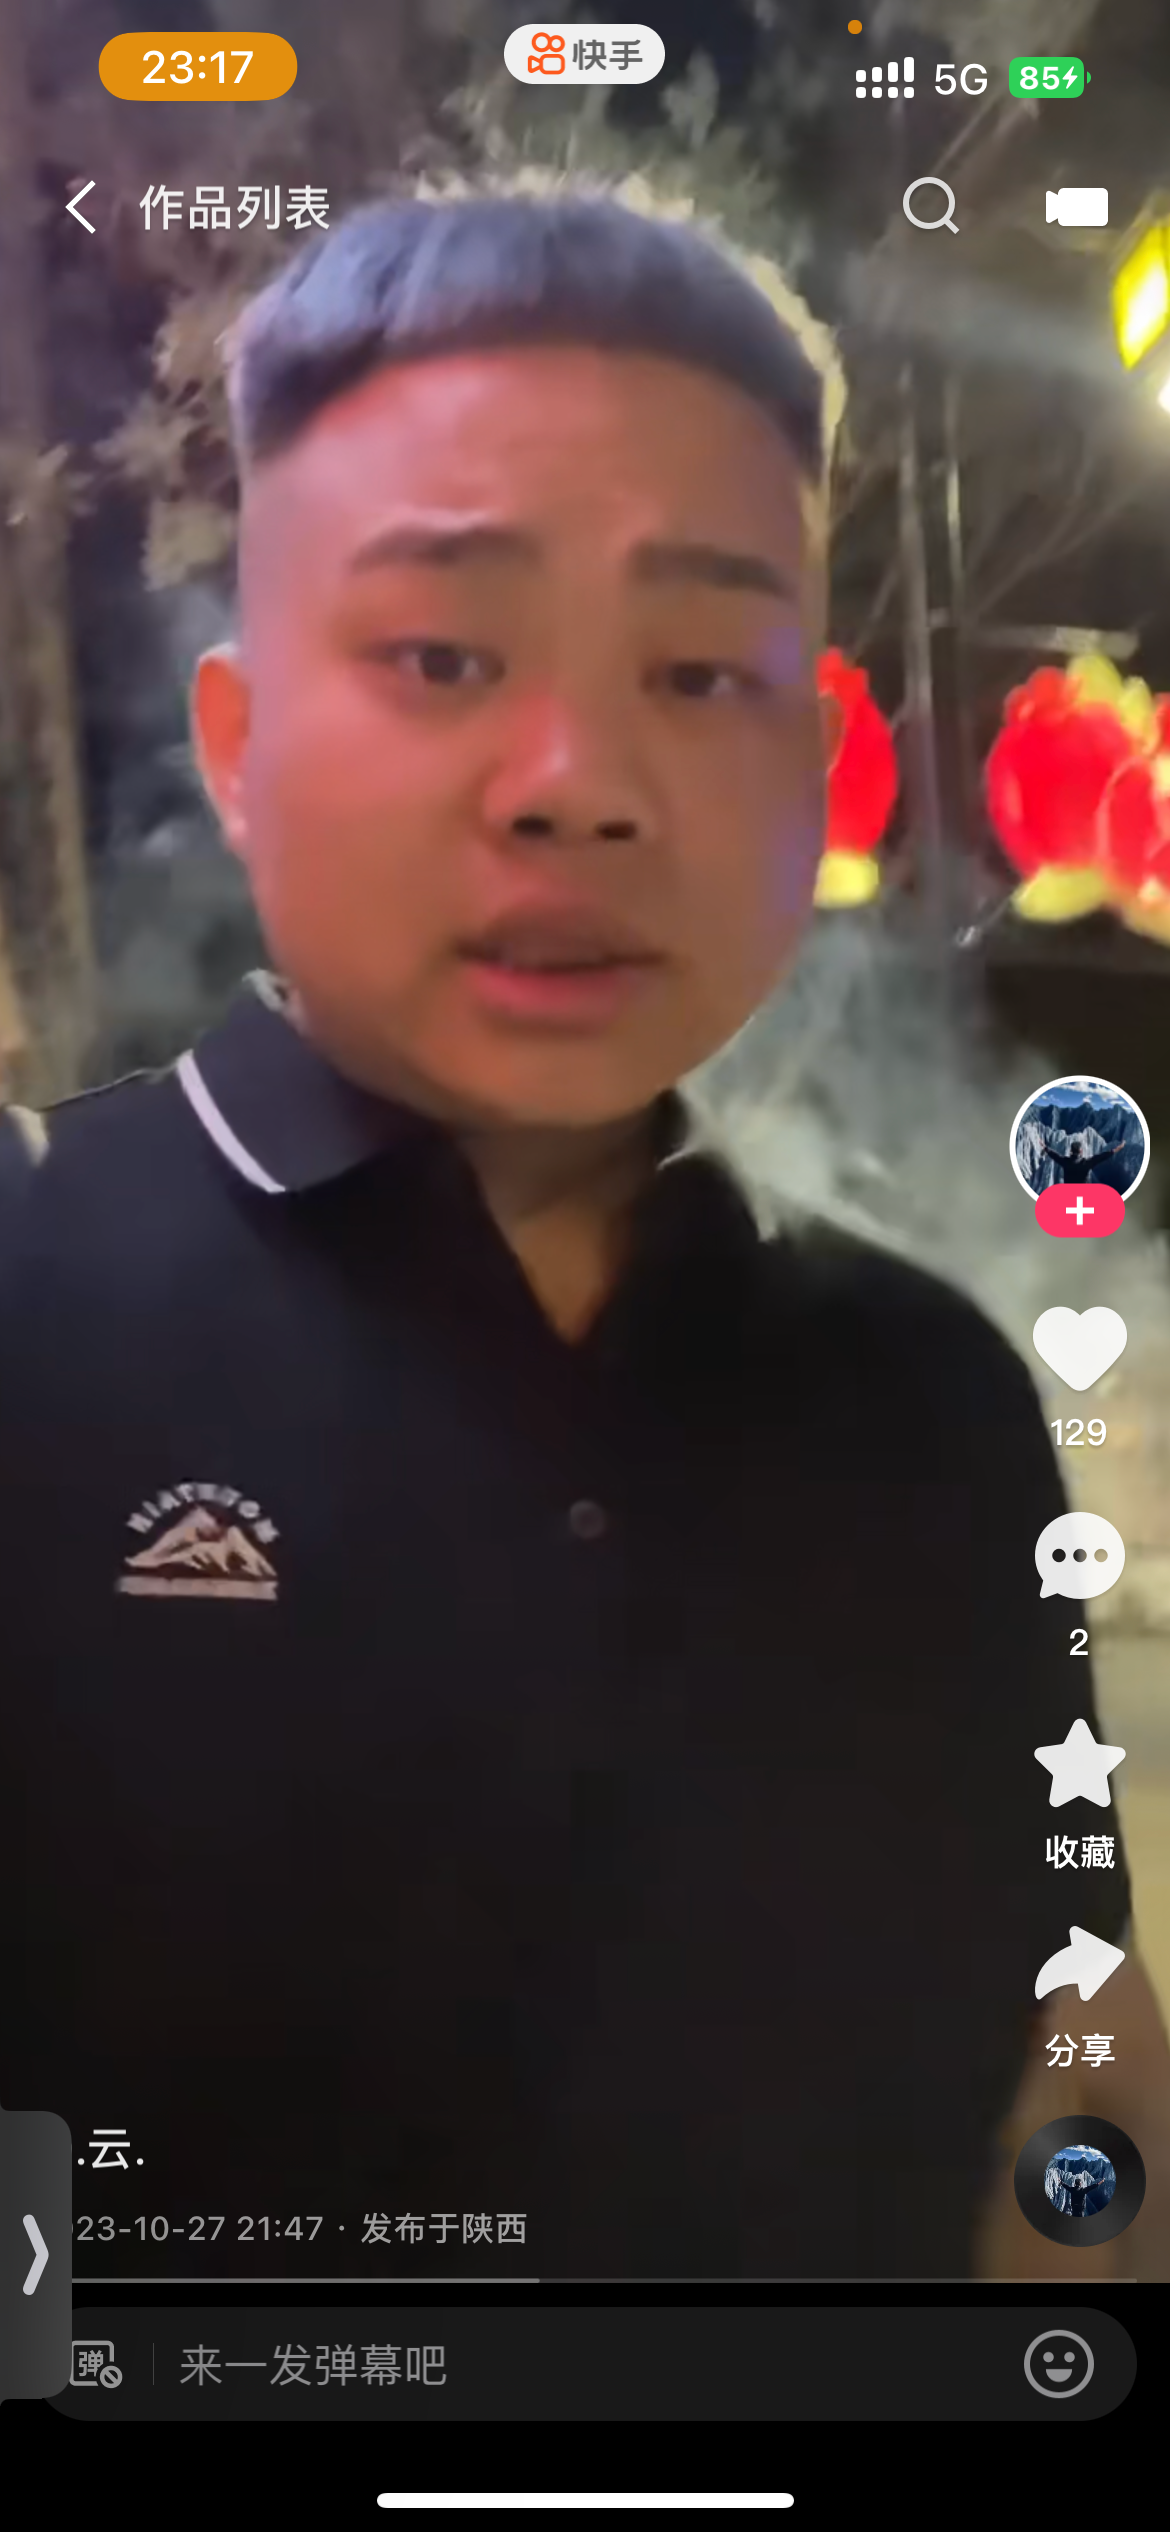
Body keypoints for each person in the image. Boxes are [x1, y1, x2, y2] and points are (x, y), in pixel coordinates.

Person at [2, 187, 1168, 2283]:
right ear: (241, 755)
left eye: (701, 670)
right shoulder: (33, 1304)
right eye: (443, 655)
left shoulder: (933, 1401)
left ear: (810, 762)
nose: (578, 782)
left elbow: (1069, 2069)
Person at [1039, 1129, 1126, 1187]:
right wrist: (1117, 1149)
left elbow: (1054, 1155)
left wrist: (1044, 1146)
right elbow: (1102, 1156)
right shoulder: (1087, 1163)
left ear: (1070, 1151)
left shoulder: (1065, 1161)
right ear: (1081, 1151)